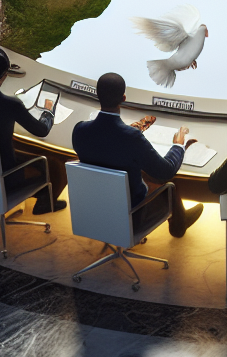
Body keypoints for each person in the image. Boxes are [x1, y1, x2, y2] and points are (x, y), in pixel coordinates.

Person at [71, 71, 203, 236]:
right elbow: (166, 171)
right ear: (123, 98)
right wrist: (179, 146)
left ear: (98, 96)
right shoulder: (132, 138)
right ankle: (178, 224)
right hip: (132, 215)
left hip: (96, 209)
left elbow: (105, 149)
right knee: (169, 186)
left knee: (141, 173)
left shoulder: (80, 130)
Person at [0, 47, 67, 214]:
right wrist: (48, 112)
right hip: (5, 175)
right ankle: (46, 203)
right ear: (4, 75)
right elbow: (41, 131)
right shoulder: (11, 104)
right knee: (54, 164)